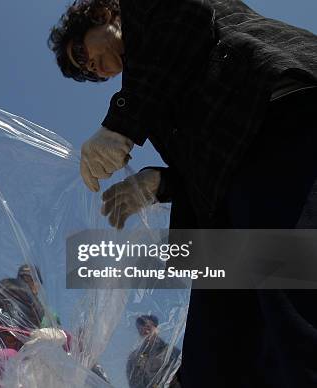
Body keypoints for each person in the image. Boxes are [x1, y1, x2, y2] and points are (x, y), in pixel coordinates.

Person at [49, 1, 317, 386]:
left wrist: (121, 121)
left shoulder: (149, 17)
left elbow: (186, 18)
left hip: (276, 118)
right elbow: (199, 159)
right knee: (218, 355)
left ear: (103, 16)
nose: (90, 67)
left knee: (296, 307)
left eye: (81, 53)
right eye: (85, 71)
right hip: (226, 195)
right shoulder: (156, 94)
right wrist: (159, 184)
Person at [126, 315, 180, 388]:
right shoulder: (134, 358)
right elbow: (133, 382)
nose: (145, 331)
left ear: (156, 328)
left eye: (148, 327)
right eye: (141, 329)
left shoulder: (171, 352)